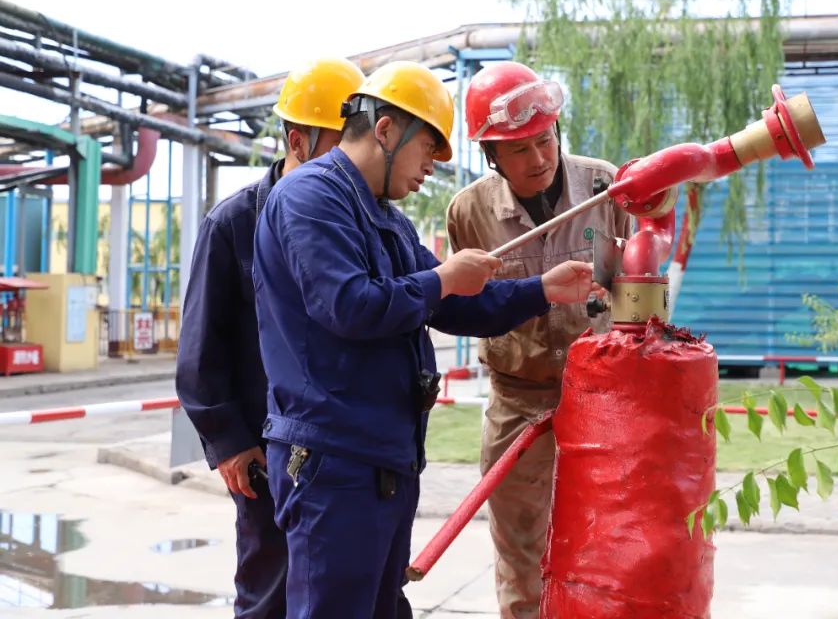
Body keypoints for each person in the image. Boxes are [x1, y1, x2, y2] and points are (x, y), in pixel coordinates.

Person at [252, 60, 594, 619]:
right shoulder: (311, 198)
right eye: (424, 155)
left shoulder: (384, 218)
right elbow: (348, 305)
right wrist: (441, 277)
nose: (426, 174)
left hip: (380, 459)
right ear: (385, 129)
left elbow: (456, 305)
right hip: (333, 460)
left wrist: (542, 290)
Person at [176, 57, 365, 618]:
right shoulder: (232, 224)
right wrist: (229, 442)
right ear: (296, 139)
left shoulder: (357, 221)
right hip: (266, 457)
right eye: (338, 145)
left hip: (341, 450)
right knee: (270, 592)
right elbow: (199, 353)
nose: (350, 163)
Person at [446, 60, 635, 619]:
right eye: (520, 149)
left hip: (599, 404)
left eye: (545, 140)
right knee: (522, 558)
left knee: (605, 551)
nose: (539, 158)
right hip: (517, 403)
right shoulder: (470, 213)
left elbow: (635, 292)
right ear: (491, 156)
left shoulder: (606, 187)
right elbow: (465, 309)